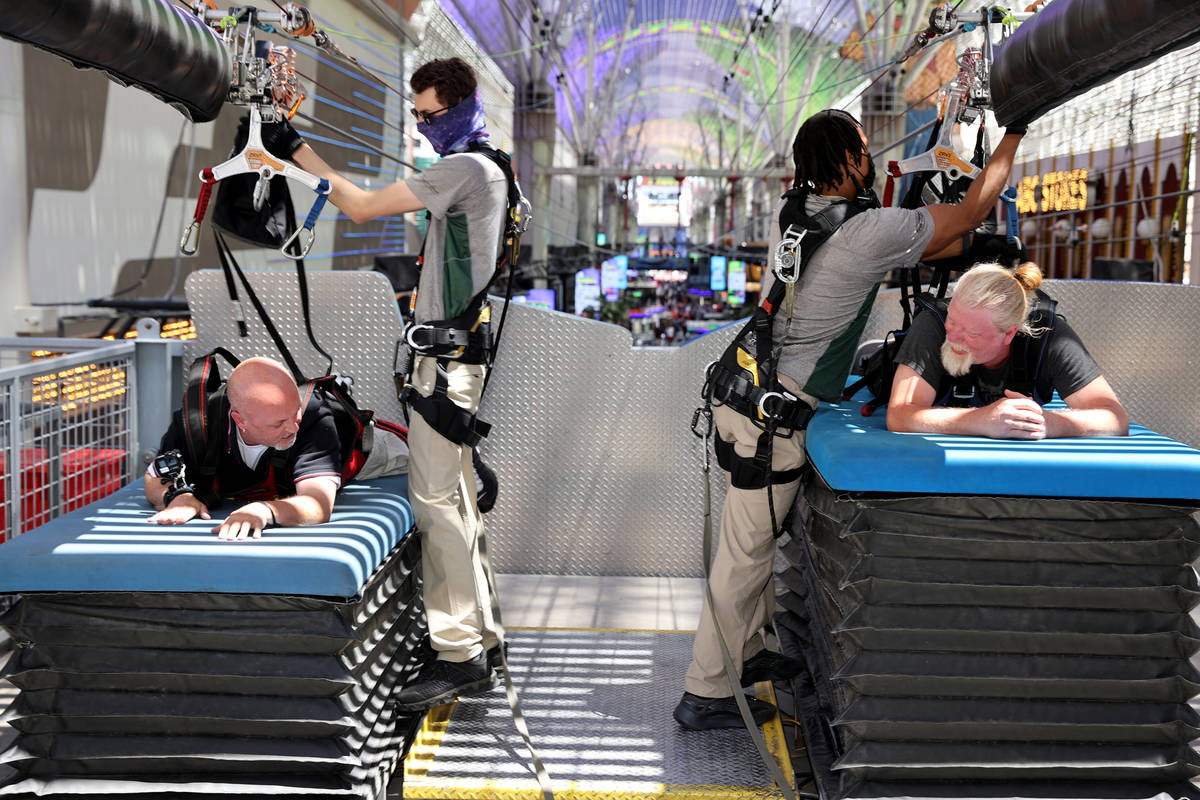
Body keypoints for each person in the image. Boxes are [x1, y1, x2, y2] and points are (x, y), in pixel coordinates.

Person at [675, 108, 1027, 731]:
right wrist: (1015, 132)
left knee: (754, 538)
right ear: (845, 160)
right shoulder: (868, 230)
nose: (868, 160)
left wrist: (954, 239)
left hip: (745, 397)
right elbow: (971, 212)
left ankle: (751, 651)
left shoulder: (800, 215)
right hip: (775, 415)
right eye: (861, 150)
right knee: (746, 553)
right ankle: (706, 692)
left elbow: (932, 241)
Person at [248, 57, 506, 711]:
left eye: (430, 115)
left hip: (446, 366)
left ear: (461, 107)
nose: (422, 128)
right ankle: (481, 638)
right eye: (415, 116)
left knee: (436, 506)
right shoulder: (492, 166)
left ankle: (460, 655)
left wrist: (288, 150)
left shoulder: (466, 168)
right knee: (459, 504)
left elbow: (359, 207)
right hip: (454, 360)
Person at [886, 261, 1129, 438]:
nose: (953, 336)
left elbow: (1115, 419)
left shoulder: (1048, 336)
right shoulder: (933, 325)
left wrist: (1047, 423)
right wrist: (980, 420)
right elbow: (899, 415)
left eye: (972, 333)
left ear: (1010, 334)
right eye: (952, 319)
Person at [144, 356, 341, 540]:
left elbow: (318, 505)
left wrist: (263, 511)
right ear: (239, 420)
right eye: (278, 423)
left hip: (366, 460)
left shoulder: (313, 416)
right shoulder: (196, 423)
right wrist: (177, 497)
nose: (293, 427)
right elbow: (155, 475)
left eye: (295, 411)